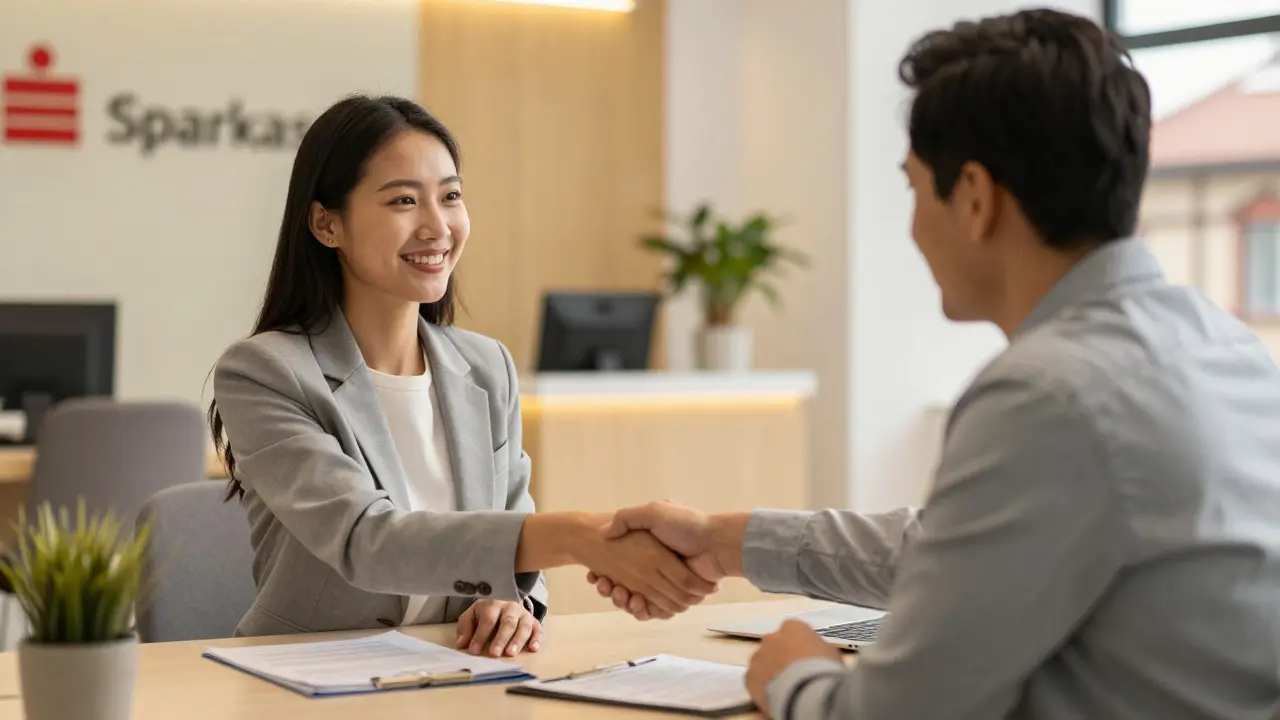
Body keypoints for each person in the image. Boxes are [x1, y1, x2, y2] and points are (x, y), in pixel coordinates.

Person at [591, 9, 1280, 719]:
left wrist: (795, 678)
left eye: (915, 189)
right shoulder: (1222, 347)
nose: (914, 225)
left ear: (975, 198)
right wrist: (725, 542)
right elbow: (963, 551)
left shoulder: (1050, 392)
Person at [209, 95, 714, 657]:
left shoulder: (486, 367)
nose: (437, 226)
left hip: (452, 667)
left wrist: (510, 603)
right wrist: (579, 536)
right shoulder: (265, 372)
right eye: (403, 200)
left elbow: (513, 536)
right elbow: (367, 542)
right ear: (327, 224)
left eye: (450, 196)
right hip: (308, 675)